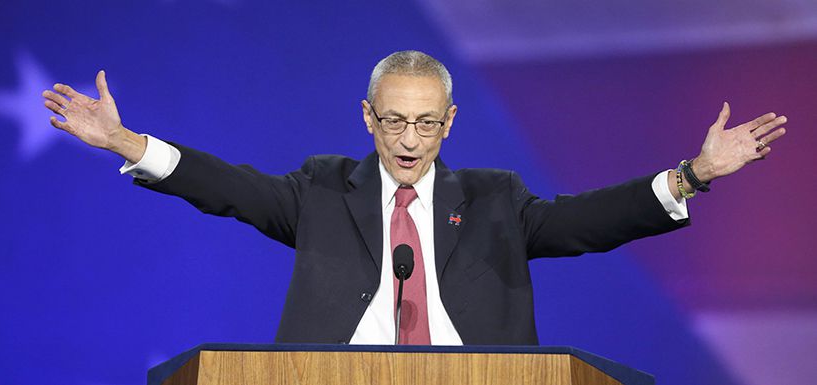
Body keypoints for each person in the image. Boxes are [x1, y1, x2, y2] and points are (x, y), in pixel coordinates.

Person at [41, 51, 787, 345]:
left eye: (427, 121)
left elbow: (584, 223)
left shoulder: (494, 199)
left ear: (449, 122)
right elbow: (229, 189)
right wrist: (129, 142)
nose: (409, 136)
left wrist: (691, 173)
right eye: (394, 119)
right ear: (367, 117)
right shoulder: (322, 189)